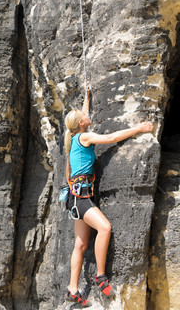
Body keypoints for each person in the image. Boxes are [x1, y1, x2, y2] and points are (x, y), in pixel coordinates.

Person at [64, 84, 154, 306]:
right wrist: (139, 128)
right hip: (82, 199)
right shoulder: (84, 138)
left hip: (75, 198)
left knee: (80, 245)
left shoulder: (74, 138)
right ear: (81, 124)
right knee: (104, 228)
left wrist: (87, 96)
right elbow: (112, 137)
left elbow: (81, 118)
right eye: (85, 116)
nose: (88, 116)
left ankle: (72, 289)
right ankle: (100, 276)